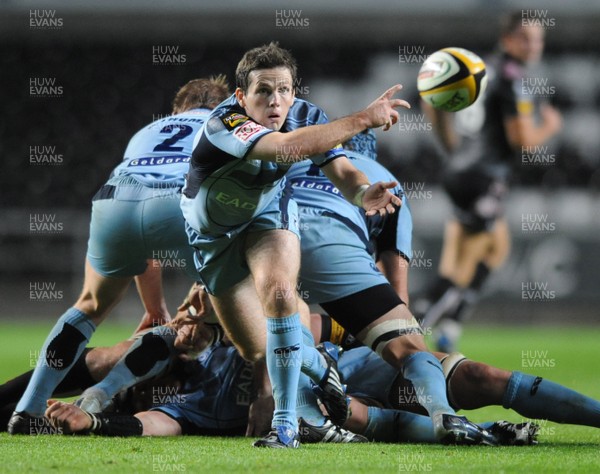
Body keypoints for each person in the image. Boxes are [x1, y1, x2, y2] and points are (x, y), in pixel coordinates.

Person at [179, 42, 407, 448]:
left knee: (282, 293)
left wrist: (361, 194)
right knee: (258, 348)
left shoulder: (304, 115)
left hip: (268, 218)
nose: (275, 100)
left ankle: (286, 426)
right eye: (263, 90)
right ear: (240, 97)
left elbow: (340, 169)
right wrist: (363, 119)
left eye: (284, 89)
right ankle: (320, 367)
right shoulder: (224, 124)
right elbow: (288, 148)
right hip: (214, 238)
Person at [8, 77, 231, 435]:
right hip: (178, 200)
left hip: (116, 198)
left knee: (89, 305)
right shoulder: (223, 124)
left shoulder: (148, 130)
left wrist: (154, 308)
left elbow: (144, 242)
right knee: (205, 320)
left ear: (176, 110)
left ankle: (27, 411)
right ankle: (101, 394)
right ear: (221, 107)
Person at [414, 11, 563, 352]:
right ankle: (407, 332)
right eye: (527, 37)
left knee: (494, 249)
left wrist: (450, 148)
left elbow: (430, 97)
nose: (535, 45)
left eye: (538, 38)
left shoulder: (479, 67)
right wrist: (550, 127)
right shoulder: (513, 77)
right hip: (484, 179)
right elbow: (523, 141)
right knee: (461, 269)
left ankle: (450, 324)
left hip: (461, 173)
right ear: (508, 38)